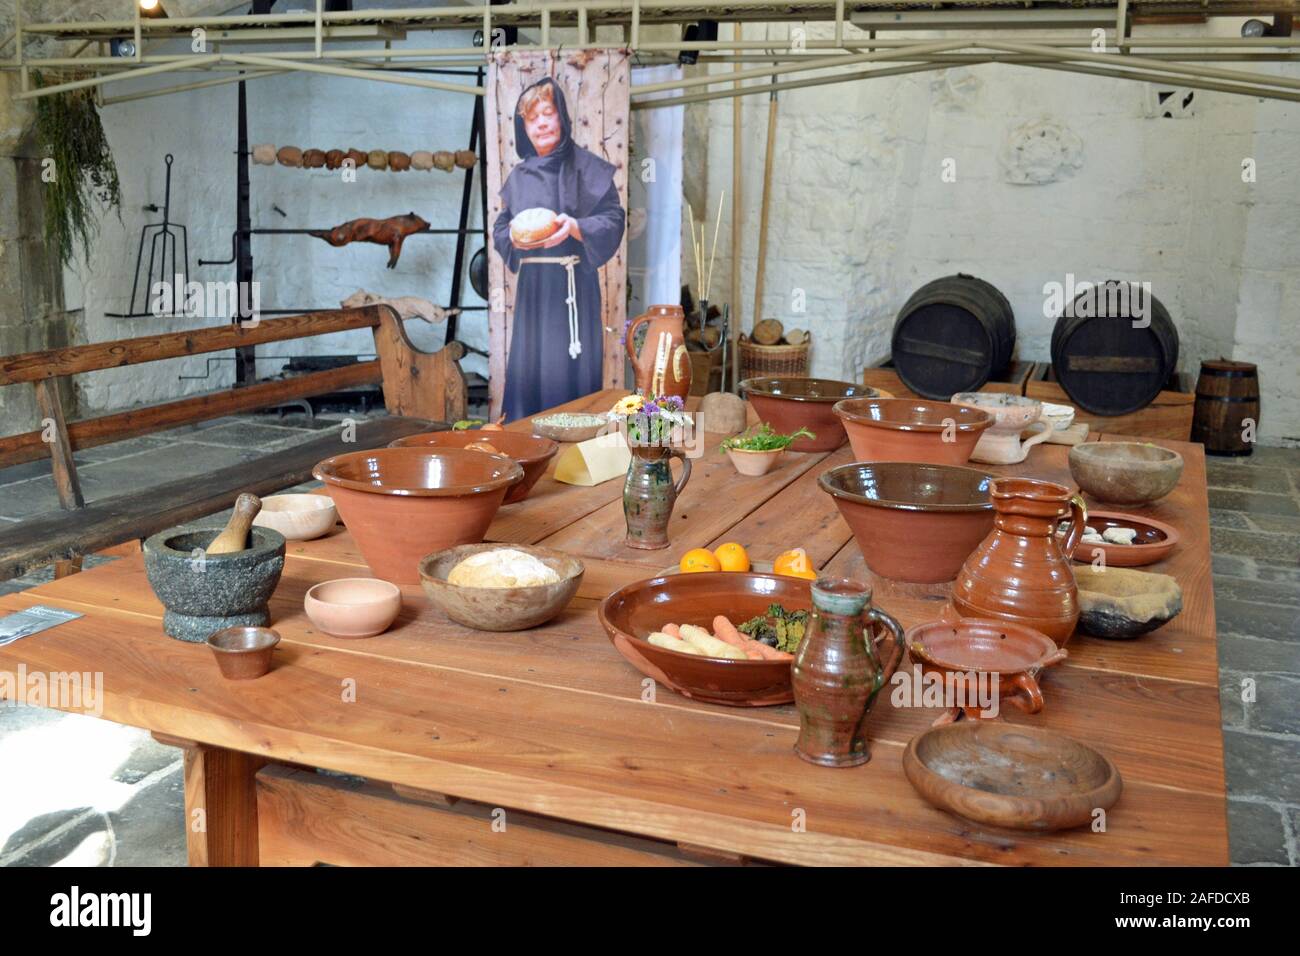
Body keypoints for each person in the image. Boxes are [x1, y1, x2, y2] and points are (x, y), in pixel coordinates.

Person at [493, 77, 626, 420]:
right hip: (534, 290)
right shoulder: (519, 177)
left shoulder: (587, 168)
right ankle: (529, 444)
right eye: (532, 118)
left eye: (547, 113)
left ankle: (576, 448)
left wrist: (577, 227)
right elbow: (500, 229)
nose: (541, 123)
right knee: (531, 372)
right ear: (524, 128)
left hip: (574, 286)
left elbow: (613, 217)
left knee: (569, 371)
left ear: (562, 118)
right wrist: (513, 234)